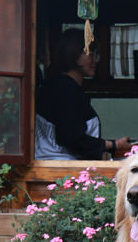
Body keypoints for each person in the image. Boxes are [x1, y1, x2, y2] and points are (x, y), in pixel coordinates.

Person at [35, 28, 132, 160]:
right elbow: (72, 137)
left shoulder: (62, 86)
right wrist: (114, 144)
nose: (94, 60)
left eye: (96, 54)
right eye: (89, 53)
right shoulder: (64, 90)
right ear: (72, 54)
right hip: (58, 165)